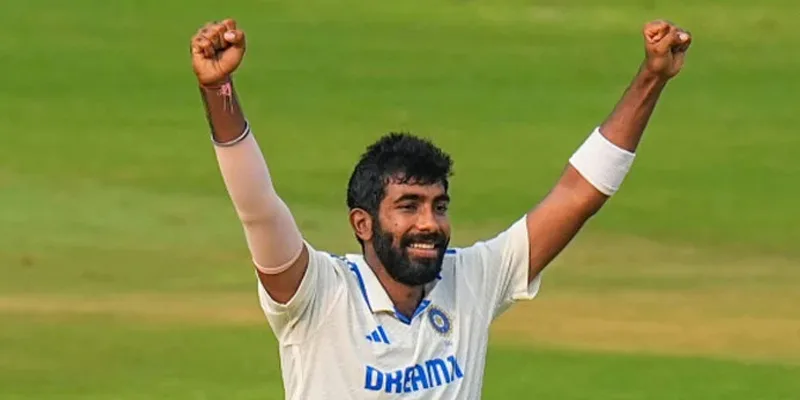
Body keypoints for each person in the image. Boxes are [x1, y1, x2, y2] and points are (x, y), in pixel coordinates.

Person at [189, 18, 692, 399]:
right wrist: (218, 90)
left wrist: (652, 78)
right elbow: (257, 206)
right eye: (408, 207)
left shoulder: (471, 280)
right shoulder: (317, 295)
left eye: (439, 205)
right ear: (362, 223)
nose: (429, 224)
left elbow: (577, 195)